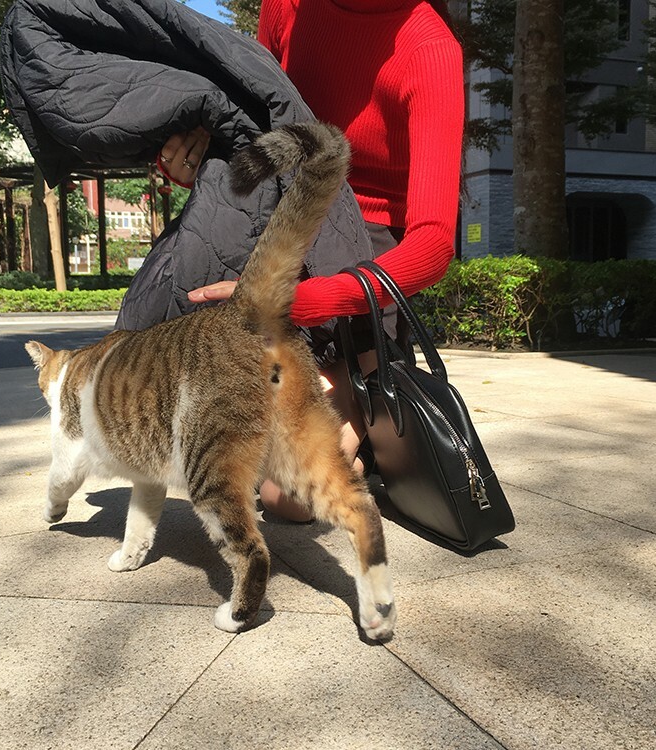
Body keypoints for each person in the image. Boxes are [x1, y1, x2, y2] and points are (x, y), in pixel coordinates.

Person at [159, 0, 464, 521]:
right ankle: (358, 411)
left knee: (289, 497)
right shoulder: (288, 7)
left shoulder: (429, 49)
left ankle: (374, 379)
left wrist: (300, 301)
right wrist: (192, 161)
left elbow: (434, 244)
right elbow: (251, 122)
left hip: (363, 260)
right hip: (287, 218)